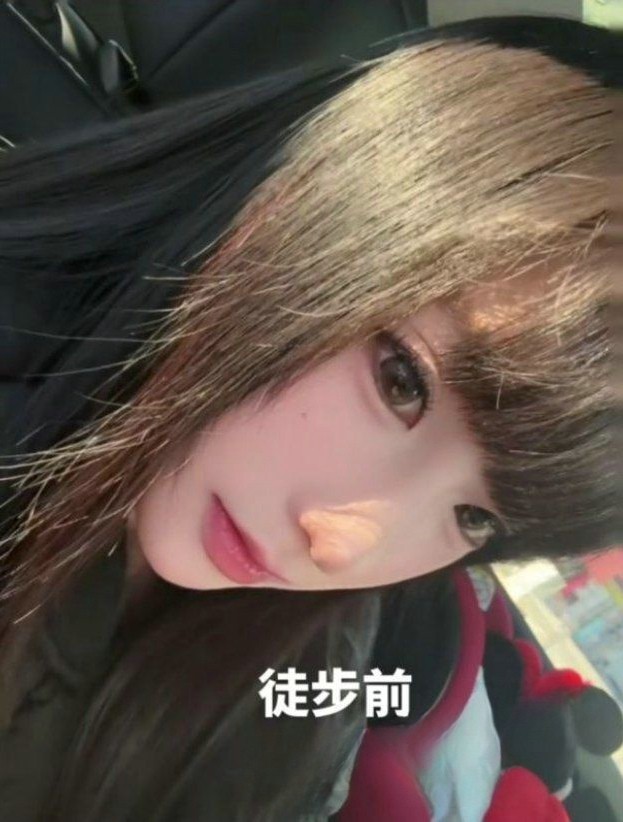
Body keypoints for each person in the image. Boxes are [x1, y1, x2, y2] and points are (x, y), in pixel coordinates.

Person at [0, 15, 620, 821]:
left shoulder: (305, 689)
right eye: (400, 382)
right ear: (307, 194)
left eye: (474, 518)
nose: (345, 548)